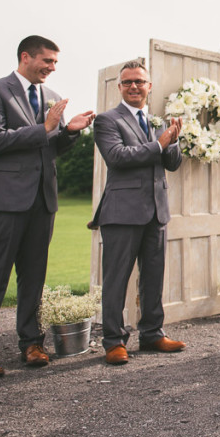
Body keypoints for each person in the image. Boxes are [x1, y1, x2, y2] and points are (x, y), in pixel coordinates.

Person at [0, 35, 95, 378]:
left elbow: (48, 149)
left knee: (34, 276)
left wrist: (68, 132)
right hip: (4, 199)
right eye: (47, 61)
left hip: (43, 199)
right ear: (26, 57)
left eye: (55, 63)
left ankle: (31, 343)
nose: (52, 68)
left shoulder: (51, 97)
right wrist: (46, 127)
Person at [90, 61, 184, 365]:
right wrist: (159, 144)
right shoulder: (107, 120)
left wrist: (174, 140)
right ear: (119, 87)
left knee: (153, 278)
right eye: (128, 82)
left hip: (157, 211)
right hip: (121, 212)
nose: (134, 87)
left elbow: (171, 164)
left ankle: (152, 333)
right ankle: (114, 341)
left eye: (139, 82)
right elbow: (117, 158)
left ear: (149, 86)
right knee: (116, 279)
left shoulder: (157, 121)